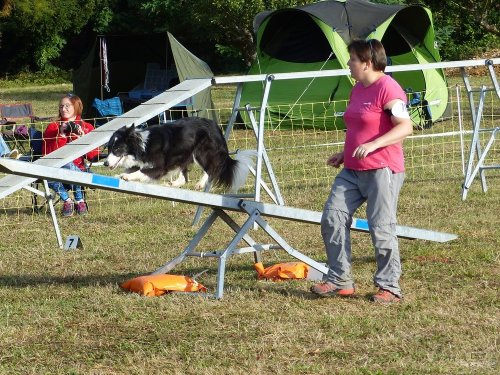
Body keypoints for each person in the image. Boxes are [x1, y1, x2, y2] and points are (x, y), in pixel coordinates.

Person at [311, 39, 413, 303]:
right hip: (353, 170)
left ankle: (389, 287)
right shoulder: (358, 89)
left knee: (381, 227)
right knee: (332, 217)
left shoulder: (388, 88)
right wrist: (345, 154)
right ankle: (339, 280)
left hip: (383, 170)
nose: (348, 64)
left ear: (367, 63)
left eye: (352, 59)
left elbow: (405, 127)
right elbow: (359, 126)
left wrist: (374, 144)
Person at [43, 94, 99, 217]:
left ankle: (77, 200)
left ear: (76, 107)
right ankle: (70, 200)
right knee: (59, 166)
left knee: (71, 167)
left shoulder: (87, 127)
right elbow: (47, 154)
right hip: (54, 168)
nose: (63, 109)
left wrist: (83, 141)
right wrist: (62, 135)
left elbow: (93, 157)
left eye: (67, 106)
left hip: (78, 168)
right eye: (61, 106)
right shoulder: (53, 127)